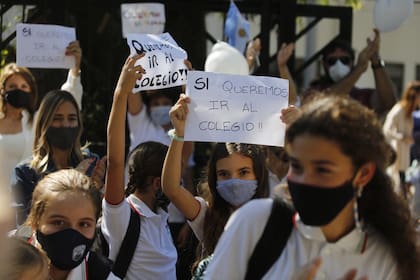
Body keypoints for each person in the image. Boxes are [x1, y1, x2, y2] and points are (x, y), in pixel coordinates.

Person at [204, 95, 420, 279]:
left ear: (363, 174)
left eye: (323, 170)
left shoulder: (386, 258)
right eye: (296, 166)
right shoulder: (255, 223)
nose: (305, 181)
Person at [161, 94, 269, 275]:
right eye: (224, 174)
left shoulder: (274, 214)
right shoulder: (207, 215)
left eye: (243, 172)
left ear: (259, 174)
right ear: (214, 179)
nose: (234, 181)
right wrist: (179, 135)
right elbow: (171, 189)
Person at [101, 53, 177, 280]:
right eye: (173, 179)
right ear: (158, 183)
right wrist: (120, 93)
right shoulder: (121, 215)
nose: (178, 186)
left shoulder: (161, 216)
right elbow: (115, 163)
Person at [12, 89, 104, 225]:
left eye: (72, 119)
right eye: (57, 119)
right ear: (44, 123)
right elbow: (24, 227)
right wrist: (72, 181)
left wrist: (99, 191)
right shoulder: (26, 172)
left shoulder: (91, 162)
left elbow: (103, 219)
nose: (65, 125)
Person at [0, 41, 83, 192]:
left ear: (31, 91)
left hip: (28, 194)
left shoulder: (37, 120)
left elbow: (68, 100)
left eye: (24, 86)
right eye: (13, 86)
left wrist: (74, 69)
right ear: (3, 90)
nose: (19, 90)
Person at [22, 169, 119, 280]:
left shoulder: (102, 274)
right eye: (58, 222)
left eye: (84, 224)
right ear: (35, 221)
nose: (72, 234)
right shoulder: (8, 259)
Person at [303, 29, 396, 116]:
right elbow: (328, 101)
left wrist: (375, 59)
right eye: (332, 61)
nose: (338, 65)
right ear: (324, 64)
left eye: (344, 60)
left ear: (352, 62)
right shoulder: (314, 93)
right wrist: (359, 69)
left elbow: (389, 104)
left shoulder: (361, 95)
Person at [383, 81, 420, 197]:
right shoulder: (399, 109)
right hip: (396, 154)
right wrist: (401, 137)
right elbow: (387, 130)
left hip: (405, 155)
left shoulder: (411, 112)